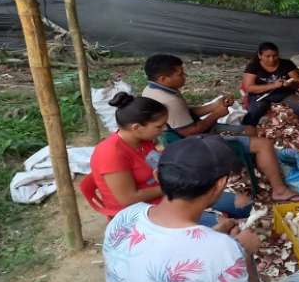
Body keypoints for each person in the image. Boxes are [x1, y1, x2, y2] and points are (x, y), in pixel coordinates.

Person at [103, 135, 299, 282]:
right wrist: (242, 254)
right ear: (220, 184)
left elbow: (167, 250)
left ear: (157, 176)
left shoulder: (124, 217)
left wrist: (217, 235)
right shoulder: (221, 250)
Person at [141, 54, 299, 202]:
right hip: (195, 143)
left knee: (250, 130)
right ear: (163, 78)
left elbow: (185, 112)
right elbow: (191, 131)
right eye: (179, 74)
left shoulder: (153, 89)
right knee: (263, 144)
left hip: (195, 135)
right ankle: (279, 190)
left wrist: (212, 107)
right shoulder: (169, 100)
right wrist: (217, 114)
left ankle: (259, 173)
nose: (184, 76)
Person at [89, 93, 252, 226]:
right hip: (143, 211)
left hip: (173, 193)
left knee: (245, 206)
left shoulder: (143, 141)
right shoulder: (111, 153)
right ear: (136, 128)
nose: (163, 130)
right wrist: (178, 184)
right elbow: (127, 199)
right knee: (224, 229)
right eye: (159, 126)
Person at [242, 42, 299, 136]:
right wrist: (273, 85)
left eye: (275, 56)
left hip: (284, 94)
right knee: (254, 112)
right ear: (260, 55)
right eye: (267, 56)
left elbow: (298, 83)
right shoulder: (253, 66)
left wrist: (289, 84)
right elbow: (249, 88)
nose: (272, 59)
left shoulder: (287, 64)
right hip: (261, 95)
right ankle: (246, 134)